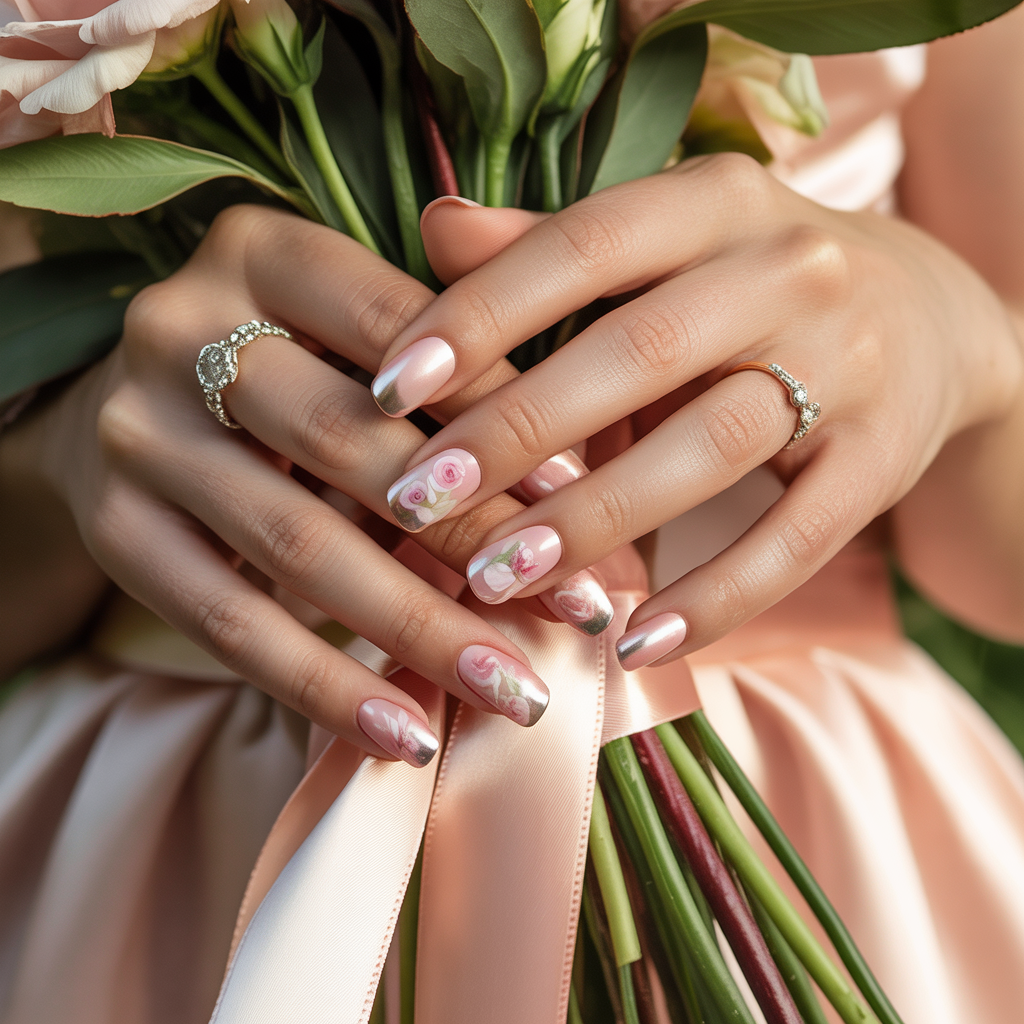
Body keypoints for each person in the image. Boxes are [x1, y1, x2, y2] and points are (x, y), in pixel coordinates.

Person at [2, 6, 1024, 1023]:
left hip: (804, 788)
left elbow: (999, 571)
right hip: (181, 818)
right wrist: (74, 458)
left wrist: (960, 339)